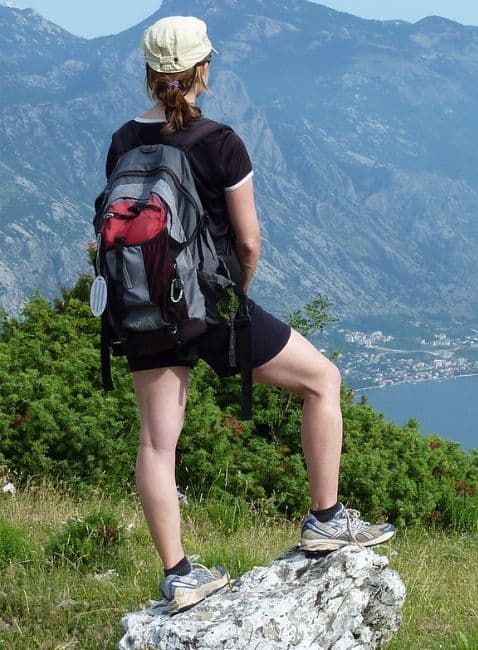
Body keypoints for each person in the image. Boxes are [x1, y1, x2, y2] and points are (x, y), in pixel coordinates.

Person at [106, 16, 397, 613]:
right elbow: (249, 241)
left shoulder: (122, 141)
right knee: (322, 381)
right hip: (210, 308)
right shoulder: (221, 141)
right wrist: (238, 295)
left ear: (150, 73)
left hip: (142, 307)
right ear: (202, 71)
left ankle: (180, 575)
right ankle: (325, 519)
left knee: (158, 444)